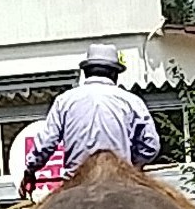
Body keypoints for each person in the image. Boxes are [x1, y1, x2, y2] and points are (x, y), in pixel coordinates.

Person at [19, 43, 160, 198]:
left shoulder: (64, 101)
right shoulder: (132, 102)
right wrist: (131, 164)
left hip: (76, 182)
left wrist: (30, 170)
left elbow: (47, 143)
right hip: (120, 180)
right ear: (115, 74)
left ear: (85, 72)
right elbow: (150, 146)